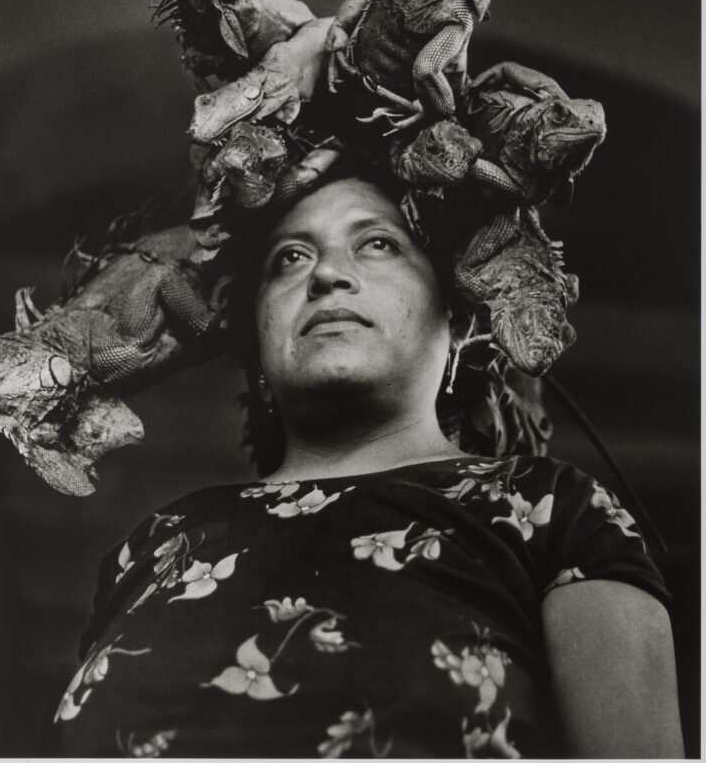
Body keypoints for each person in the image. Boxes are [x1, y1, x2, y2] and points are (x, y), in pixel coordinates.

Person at [51, 163, 683, 759]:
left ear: (457, 321)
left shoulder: (550, 510)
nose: (326, 275)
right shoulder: (158, 541)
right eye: (290, 258)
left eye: (378, 244)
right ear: (256, 344)